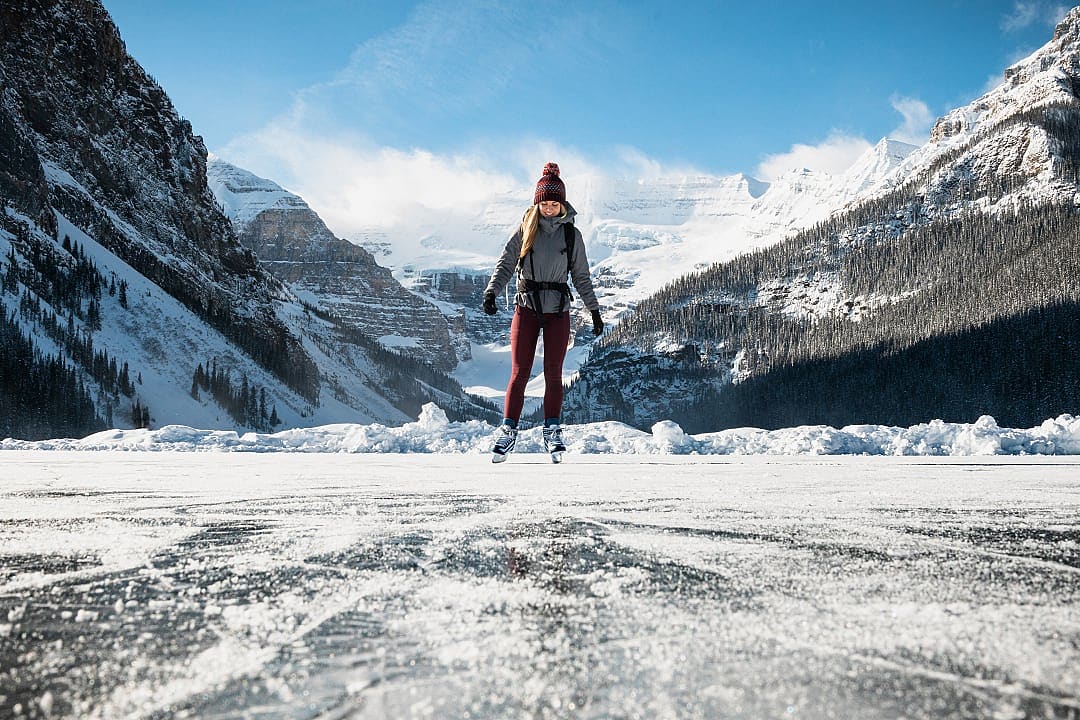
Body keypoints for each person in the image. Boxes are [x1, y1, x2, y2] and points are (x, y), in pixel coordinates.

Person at [482, 162, 603, 463]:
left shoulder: (571, 236)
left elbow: (582, 276)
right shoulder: (526, 230)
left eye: (554, 204)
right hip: (527, 308)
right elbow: (506, 264)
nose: (549, 209)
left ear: (562, 205)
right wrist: (491, 292)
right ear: (537, 204)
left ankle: (552, 430)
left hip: (558, 311)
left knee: (553, 374)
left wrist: (594, 311)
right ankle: (508, 431)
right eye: (545, 204)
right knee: (519, 372)